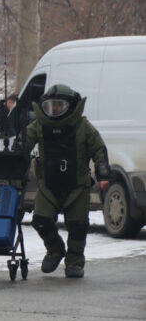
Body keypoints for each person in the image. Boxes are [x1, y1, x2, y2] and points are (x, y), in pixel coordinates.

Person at [24, 84, 110, 278]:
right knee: (40, 220)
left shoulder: (83, 126)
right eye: (50, 106)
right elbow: (23, 144)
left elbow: (99, 149)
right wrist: (12, 156)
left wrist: (103, 175)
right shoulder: (39, 125)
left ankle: (74, 262)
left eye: (59, 105)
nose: (54, 110)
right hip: (48, 185)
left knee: (78, 226)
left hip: (77, 186)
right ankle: (55, 249)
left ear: (70, 106)